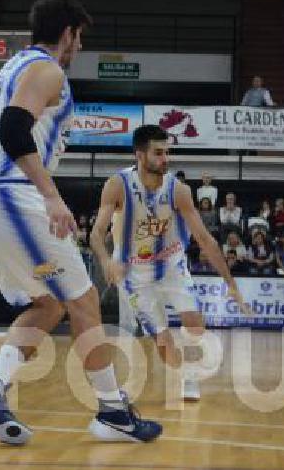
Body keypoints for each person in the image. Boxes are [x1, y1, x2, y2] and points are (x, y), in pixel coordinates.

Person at [0, 0, 161, 445]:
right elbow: (13, 129)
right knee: (84, 298)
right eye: (80, 37)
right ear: (68, 33)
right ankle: (113, 413)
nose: (80, 47)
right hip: (11, 197)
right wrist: (51, 196)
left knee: (49, 302)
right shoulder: (47, 70)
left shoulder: (11, 68)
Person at [89, 124, 247, 402]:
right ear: (140, 155)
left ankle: (190, 373)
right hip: (133, 274)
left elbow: (206, 240)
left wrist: (230, 283)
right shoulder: (117, 185)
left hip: (171, 267)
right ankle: (186, 374)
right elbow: (96, 233)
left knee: (195, 324)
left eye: (167, 152)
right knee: (162, 341)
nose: (166, 159)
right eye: (158, 153)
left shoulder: (179, 190)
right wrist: (104, 260)